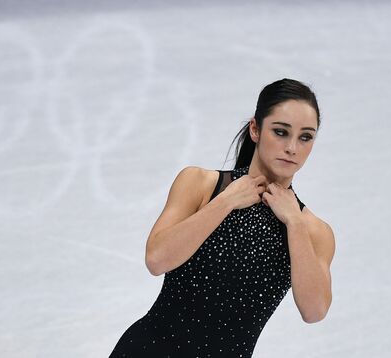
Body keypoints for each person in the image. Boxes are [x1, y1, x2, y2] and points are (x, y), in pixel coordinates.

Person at [108, 78, 336, 358]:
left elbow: (314, 311)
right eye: (280, 131)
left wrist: (295, 224)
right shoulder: (200, 184)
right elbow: (156, 259)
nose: (292, 147)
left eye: (305, 137)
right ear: (256, 129)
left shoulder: (314, 231)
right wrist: (226, 201)